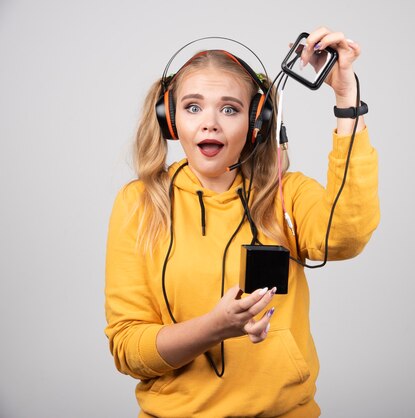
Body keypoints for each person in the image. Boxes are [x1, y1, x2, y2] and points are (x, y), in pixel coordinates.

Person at [104, 26, 379, 417]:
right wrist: (213, 328)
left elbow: (347, 234)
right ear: (170, 119)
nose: (210, 123)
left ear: (257, 121)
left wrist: (346, 96)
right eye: (193, 107)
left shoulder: (286, 195)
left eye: (230, 109)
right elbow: (129, 349)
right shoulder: (140, 203)